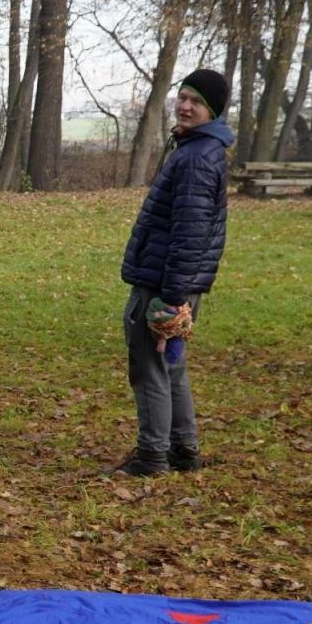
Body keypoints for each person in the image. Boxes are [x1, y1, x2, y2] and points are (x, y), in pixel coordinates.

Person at [114, 68, 233, 476]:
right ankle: (184, 450)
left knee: (149, 368)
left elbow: (190, 233)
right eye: (183, 96)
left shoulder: (197, 158)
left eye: (196, 101)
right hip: (171, 279)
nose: (184, 106)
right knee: (171, 367)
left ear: (212, 111)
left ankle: (152, 457)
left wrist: (173, 296)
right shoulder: (196, 150)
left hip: (165, 282)